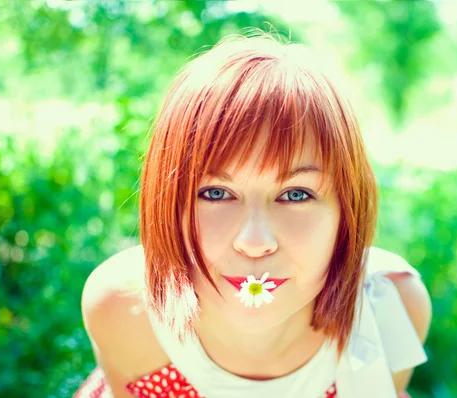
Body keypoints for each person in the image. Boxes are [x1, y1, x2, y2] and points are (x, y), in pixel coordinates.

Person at [75, 32, 432, 398]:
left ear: (348, 212)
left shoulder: (390, 310)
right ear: (166, 204)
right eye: (215, 193)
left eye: (296, 194)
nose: (254, 242)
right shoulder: (125, 310)